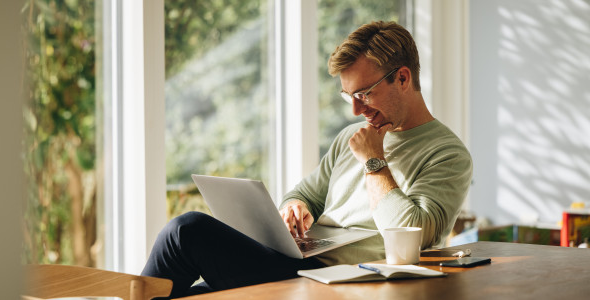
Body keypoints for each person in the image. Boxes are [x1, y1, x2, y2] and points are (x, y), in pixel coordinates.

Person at [141, 21, 472, 298]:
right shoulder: (349, 139)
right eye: (349, 97)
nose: (357, 110)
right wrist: (294, 207)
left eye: (364, 94)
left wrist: (373, 161)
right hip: (296, 263)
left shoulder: (447, 154)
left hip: (346, 280)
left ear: (402, 78)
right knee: (181, 294)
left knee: (185, 232)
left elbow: (415, 234)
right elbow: (305, 195)